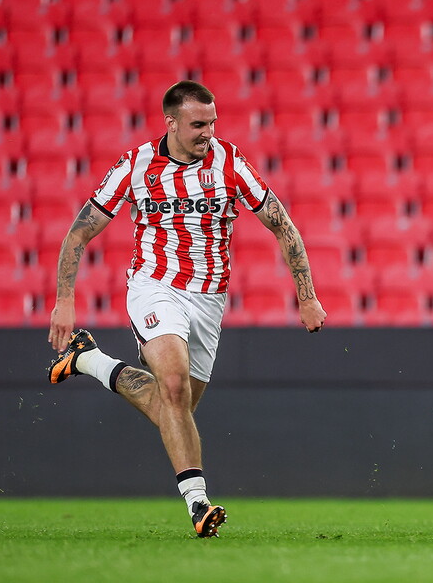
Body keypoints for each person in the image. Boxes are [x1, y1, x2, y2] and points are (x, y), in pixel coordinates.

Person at [47, 80, 326, 538]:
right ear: (171, 122)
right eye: (199, 124)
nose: (208, 133)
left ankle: (89, 359)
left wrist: (307, 293)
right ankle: (198, 504)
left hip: (210, 300)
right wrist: (64, 299)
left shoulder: (230, 161)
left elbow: (282, 224)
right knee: (173, 386)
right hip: (154, 287)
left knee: (174, 406)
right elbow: (78, 233)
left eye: (213, 122)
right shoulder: (137, 164)